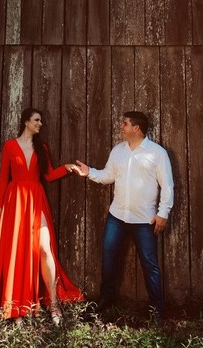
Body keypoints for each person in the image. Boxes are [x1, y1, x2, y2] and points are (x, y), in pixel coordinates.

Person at [0, 108, 84, 322]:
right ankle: (17, 307)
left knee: (45, 249)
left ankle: (54, 304)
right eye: (36, 120)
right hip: (14, 201)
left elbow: (49, 175)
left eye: (41, 121)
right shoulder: (9, 146)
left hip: (36, 200)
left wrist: (66, 167)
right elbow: (3, 178)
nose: (40, 124)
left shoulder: (41, 148)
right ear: (26, 122)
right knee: (18, 252)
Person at [72, 110, 174, 321]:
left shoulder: (157, 153)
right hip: (116, 217)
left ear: (136, 128)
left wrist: (163, 214)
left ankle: (156, 309)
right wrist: (89, 172)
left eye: (125, 123)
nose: (121, 126)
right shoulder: (118, 150)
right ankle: (106, 298)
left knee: (150, 265)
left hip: (144, 220)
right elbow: (108, 176)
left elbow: (167, 186)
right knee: (108, 258)